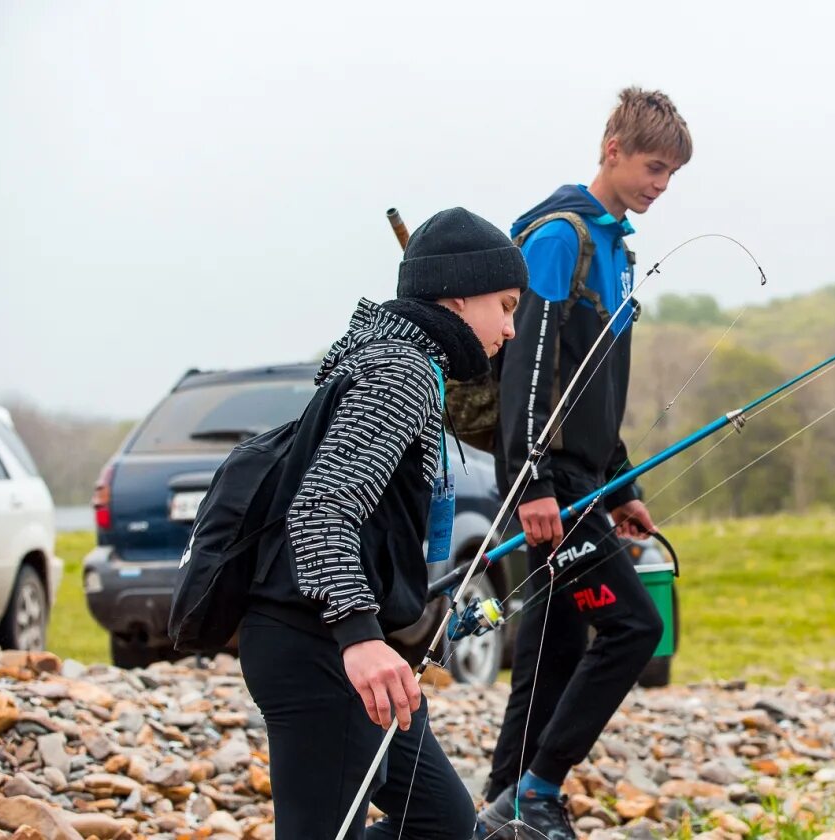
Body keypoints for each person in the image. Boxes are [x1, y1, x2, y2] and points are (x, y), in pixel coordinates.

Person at [238, 207, 526, 839]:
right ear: (457, 295)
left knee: (444, 826)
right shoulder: (399, 372)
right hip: (319, 647)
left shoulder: (393, 358)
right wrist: (360, 638)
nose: (509, 327)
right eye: (503, 306)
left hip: (347, 649)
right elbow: (321, 507)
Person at [476, 87, 693, 839]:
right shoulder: (558, 237)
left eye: (671, 175)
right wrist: (530, 482)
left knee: (553, 647)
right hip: (549, 484)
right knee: (631, 629)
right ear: (612, 151)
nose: (660, 185)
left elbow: (597, 388)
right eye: (652, 167)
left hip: (584, 482)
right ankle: (536, 793)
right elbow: (526, 374)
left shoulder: (618, 249)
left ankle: (501, 808)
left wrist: (624, 485)